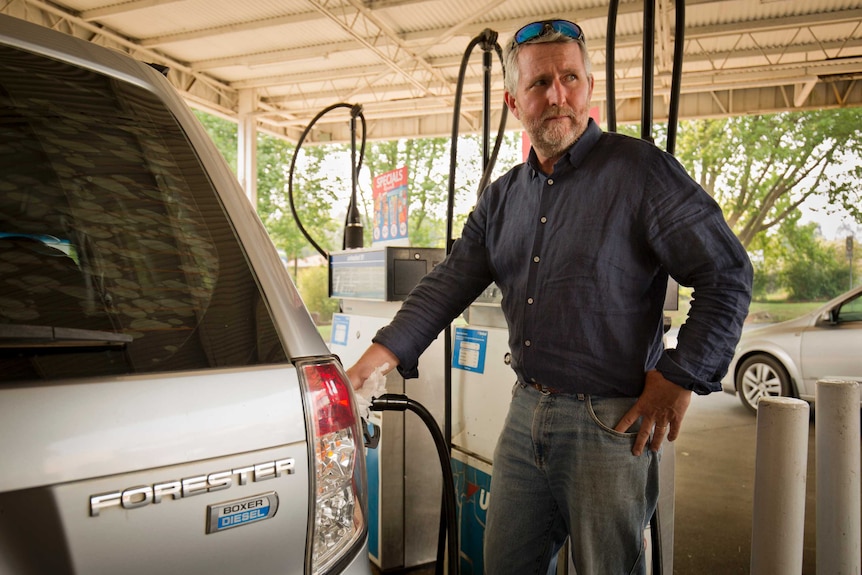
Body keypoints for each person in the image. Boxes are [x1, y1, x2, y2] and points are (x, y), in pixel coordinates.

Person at [347, 18, 752, 575]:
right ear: (515, 102)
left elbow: (726, 274)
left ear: (589, 88)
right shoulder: (503, 197)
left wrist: (682, 375)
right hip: (526, 410)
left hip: (612, 421)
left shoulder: (639, 172)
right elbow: (447, 283)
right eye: (540, 84)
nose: (557, 95)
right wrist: (373, 363)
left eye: (570, 78)